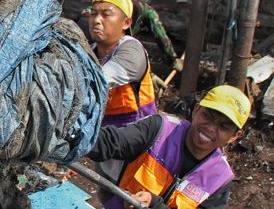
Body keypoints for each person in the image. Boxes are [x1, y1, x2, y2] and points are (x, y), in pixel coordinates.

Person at [88, 85, 249, 208]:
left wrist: (154, 204)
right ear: (196, 110)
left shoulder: (220, 179)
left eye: (224, 126)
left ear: (235, 136)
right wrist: (76, 139)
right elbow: (111, 141)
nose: (211, 128)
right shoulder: (159, 128)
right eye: (208, 116)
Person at [88, 0, 157, 128]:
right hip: (102, 136)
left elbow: (100, 78)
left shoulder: (132, 51)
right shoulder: (88, 50)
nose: (96, 20)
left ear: (126, 23)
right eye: (93, 13)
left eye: (106, 14)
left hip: (135, 139)